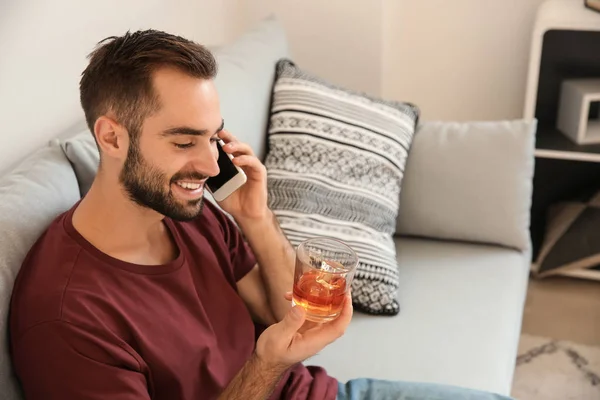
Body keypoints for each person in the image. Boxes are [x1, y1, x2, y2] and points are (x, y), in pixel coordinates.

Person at [9, 30, 512, 400]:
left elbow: (277, 313)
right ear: (111, 137)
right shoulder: (67, 317)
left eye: (212, 138)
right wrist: (265, 365)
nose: (209, 165)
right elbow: (272, 348)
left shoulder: (189, 212)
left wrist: (254, 216)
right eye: (184, 141)